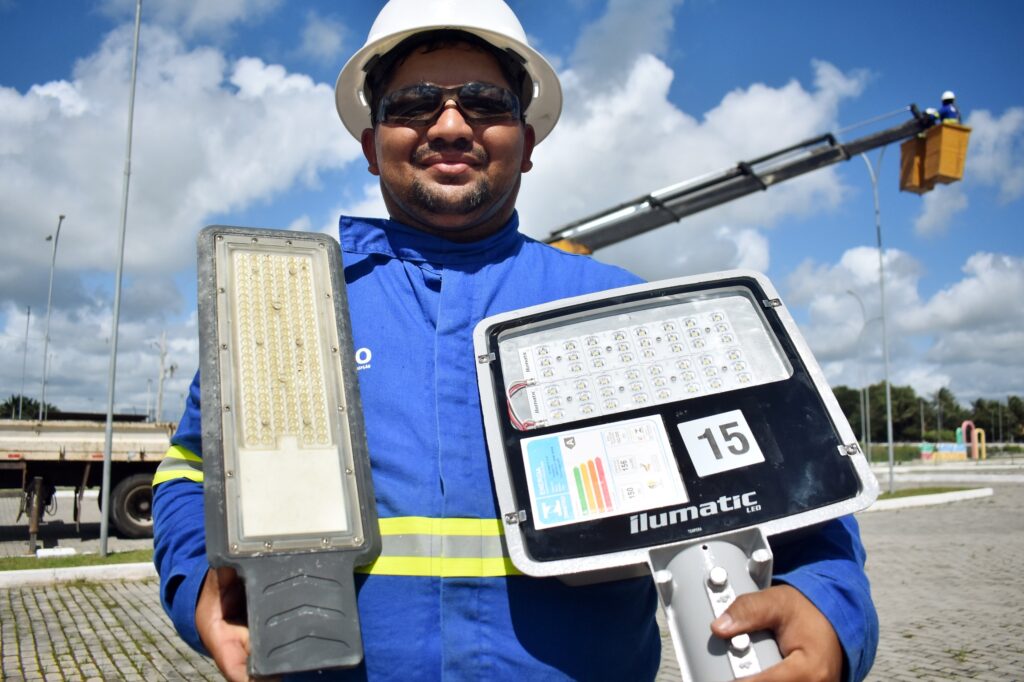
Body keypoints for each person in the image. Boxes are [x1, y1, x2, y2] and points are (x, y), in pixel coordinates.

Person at [153, 1, 878, 680]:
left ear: (526, 144)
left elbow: (783, 487)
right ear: (372, 145)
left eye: (484, 102)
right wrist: (196, 585)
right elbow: (190, 472)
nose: (449, 126)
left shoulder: (622, 311)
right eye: (413, 104)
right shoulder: (283, 307)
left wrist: (827, 605)